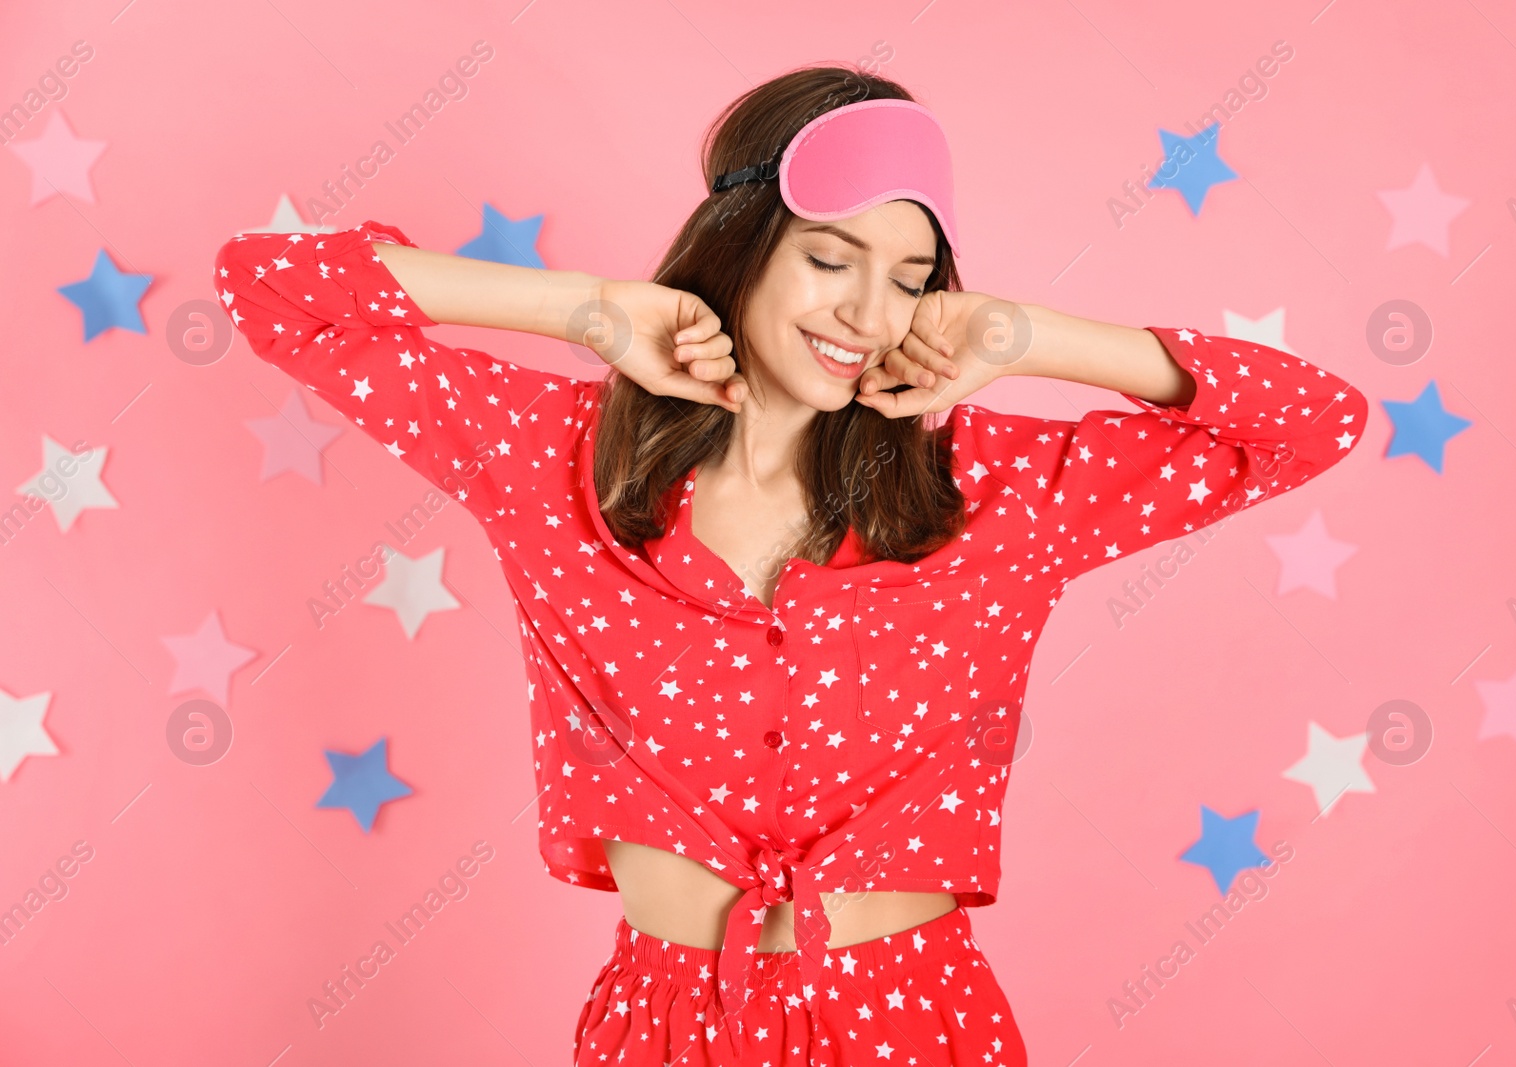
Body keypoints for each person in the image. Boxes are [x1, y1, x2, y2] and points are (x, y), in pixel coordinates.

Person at [213, 63, 1367, 1067]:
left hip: (911, 1017)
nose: (869, 310)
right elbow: (270, 288)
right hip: (665, 1021)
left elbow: (1314, 420)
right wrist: (587, 311)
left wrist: (1034, 339)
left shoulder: (994, 487)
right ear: (743, 246)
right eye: (831, 257)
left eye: (911, 275)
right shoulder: (559, 464)